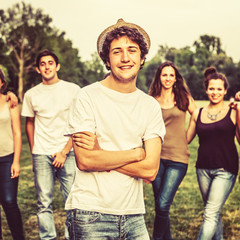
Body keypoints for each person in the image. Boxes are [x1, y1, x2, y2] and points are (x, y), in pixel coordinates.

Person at [64, 18, 166, 240]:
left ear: (141, 59)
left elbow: (150, 170)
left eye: (132, 50)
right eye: (117, 51)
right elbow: (86, 161)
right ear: (107, 60)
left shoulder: (150, 106)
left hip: (134, 215)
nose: (125, 57)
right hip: (89, 213)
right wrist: (136, 153)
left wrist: (102, 152)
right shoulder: (86, 97)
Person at [21, 49, 80, 240]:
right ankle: (48, 237)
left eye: (50, 63)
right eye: (43, 64)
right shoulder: (32, 94)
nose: (47, 67)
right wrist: (34, 149)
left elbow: (78, 124)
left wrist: (64, 151)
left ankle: (73, 236)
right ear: (38, 69)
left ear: (57, 66)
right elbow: (29, 122)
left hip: (67, 153)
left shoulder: (73, 90)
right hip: (42, 153)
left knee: (72, 200)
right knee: (43, 202)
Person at [187, 67, 240, 240]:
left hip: (225, 169)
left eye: (219, 89)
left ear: (225, 91)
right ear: (206, 89)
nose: (215, 92)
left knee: (209, 213)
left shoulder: (233, 112)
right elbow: (185, 139)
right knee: (212, 211)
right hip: (202, 169)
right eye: (211, 88)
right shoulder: (198, 113)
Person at [148, 61, 196, 240]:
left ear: (175, 79)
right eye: (164, 75)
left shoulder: (183, 97)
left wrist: (186, 138)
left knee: (162, 204)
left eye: (171, 75)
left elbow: (196, 117)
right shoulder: (151, 100)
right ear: (159, 78)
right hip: (156, 157)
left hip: (178, 159)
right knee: (161, 205)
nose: (167, 78)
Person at [0, 68, 24, 239]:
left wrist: (16, 161)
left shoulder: (11, 103)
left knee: (9, 202)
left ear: (1, 82)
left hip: (7, 158)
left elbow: (17, 133)